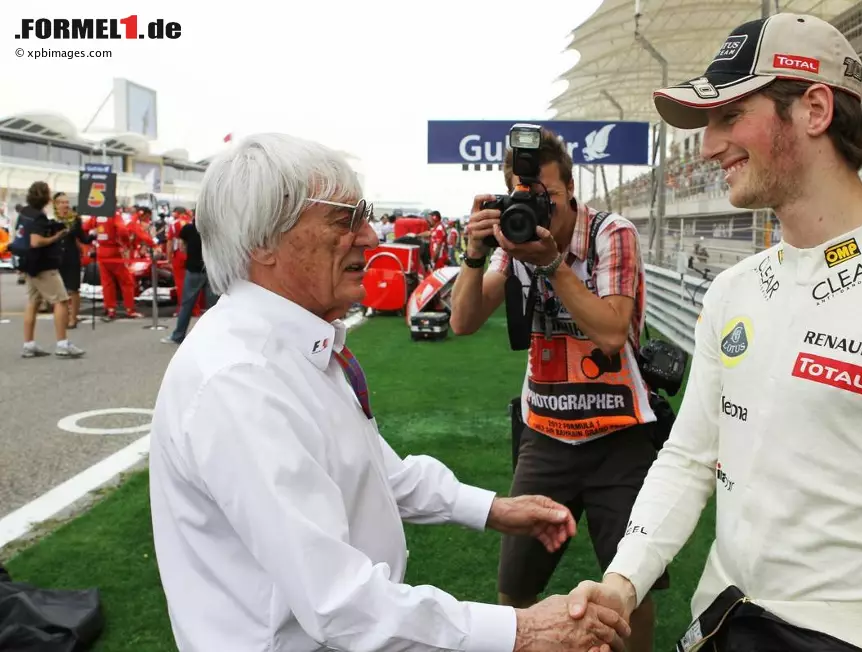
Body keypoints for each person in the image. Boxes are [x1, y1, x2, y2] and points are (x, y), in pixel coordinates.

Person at [565, 13, 862, 652]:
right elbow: (689, 457)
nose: (707, 145)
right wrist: (624, 581)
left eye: (729, 116)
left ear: (814, 108)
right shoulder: (735, 289)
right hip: (718, 624)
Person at [148, 133, 631, 652]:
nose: (369, 235)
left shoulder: (288, 345)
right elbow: (339, 603)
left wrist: (494, 509)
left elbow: (376, 472)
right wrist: (526, 630)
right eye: (344, 218)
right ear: (265, 239)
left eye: (365, 214)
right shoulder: (238, 380)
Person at [449, 127, 662, 652]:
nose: (535, 209)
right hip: (545, 433)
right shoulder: (512, 240)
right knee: (515, 586)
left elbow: (612, 330)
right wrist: (475, 254)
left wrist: (551, 264)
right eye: (523, 199)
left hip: (620, 434)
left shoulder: (612, 233)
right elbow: (463, 321)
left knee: (633, 588)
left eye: (544, 197)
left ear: (569, 188)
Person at [14, 182, 84, 358]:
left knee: (33, 302)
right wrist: (55, 236)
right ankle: (62, 343)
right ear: (45, 197)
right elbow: (36, 241)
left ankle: (29, 344)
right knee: (61, 301)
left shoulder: (24, 213)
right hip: (43, 265)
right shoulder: (38, 217)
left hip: (28, 263)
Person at [160, 211, 216, 345]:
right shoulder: (214, 229)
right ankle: (214, 339)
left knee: (186, 305)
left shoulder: (188, 229)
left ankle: (178, 335)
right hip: (211, 271)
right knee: (213, 307)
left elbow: (182, 247)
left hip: (193, 270)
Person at [52, 192, 95, 328]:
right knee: (59, 290)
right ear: (56, 204)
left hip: (71, 257)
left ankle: (73, 318)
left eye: (66, 202)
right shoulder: (51, 220)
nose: (65, 205)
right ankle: (62, 316)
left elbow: (82, 238)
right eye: (62, 202)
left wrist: (93, 235)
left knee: (73, 289)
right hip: (56, 257)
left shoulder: (75, 219)